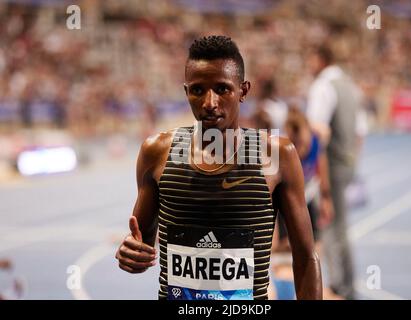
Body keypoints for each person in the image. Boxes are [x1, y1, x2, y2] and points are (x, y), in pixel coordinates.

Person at [115, 35, 322, 300]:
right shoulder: (157, 152)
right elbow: (141, 241)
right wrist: (131, 253)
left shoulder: (276, 155)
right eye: (198, 90)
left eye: (222, 89)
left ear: (243, 91)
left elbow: (305, 257)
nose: (209, 103)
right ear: (186, 92)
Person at [305, 45, 363, 300]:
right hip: (347, 162)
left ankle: (339, 287)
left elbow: (318, 130)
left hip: (329, 166)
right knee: (340, 227)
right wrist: (352, 163)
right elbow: (361, 131)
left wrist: (314, 170)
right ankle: (346, 284)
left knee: (330, 225)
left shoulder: (322, 86)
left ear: (320, 59)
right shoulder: (350, 85)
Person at [270, 107, 334, 299]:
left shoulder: (316, 142)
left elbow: (322, 169)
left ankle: (316, 281)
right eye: (298, 145)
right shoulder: (282, 147)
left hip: (309, 193)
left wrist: (326, 198)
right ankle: (280, 281)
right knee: (283, 242)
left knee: (312, 243)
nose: (302, 149)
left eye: (304, 144)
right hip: (286, 195)